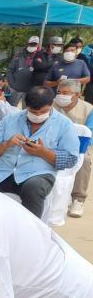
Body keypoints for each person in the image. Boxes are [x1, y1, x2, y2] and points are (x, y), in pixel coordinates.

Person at [0, 86, 79, 217]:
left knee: (34, 187)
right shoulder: (10, 119)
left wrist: (43, 152)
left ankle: (30, 232)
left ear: (51, 104)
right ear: (26, 106)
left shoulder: (64, 124)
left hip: (37, 174)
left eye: (43, 112)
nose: (38, 116)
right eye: (33, 112)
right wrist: (6, 144)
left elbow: (71, 159)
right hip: (1, 171)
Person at [53, 79, 93, 218]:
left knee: (85, 161)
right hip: (52, 143)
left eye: (65, 93)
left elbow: (90, 135)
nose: (61, 96)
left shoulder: (88, 109)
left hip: (78, 146)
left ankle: (78, 199)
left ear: (77, 94)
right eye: (59, 92)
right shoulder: (50, 104)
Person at [6, 36, 51, 104]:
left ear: (38, 45)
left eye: (34, 44)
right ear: (27, 44)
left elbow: (46, 70)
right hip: (16, 89)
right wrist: (12, 84)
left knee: (27, 109)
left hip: (32, 90)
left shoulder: (42, 56)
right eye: (31, 44)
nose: (32, 46)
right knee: (11, 108)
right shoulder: (19, 55)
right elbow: (9, 70)